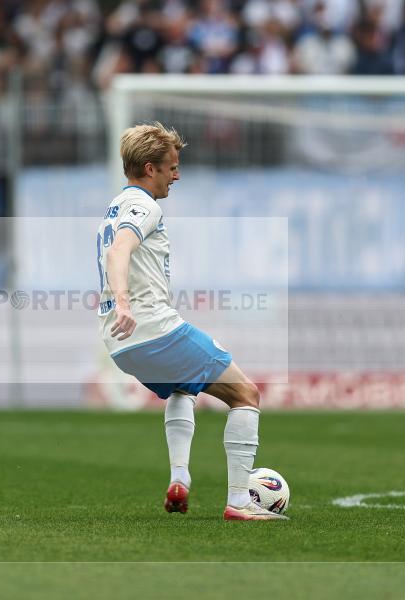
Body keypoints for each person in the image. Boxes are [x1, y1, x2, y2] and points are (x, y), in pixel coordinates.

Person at [96, 122, 287, 521]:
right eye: (171, 167)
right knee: (246, 394)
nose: (176, 175)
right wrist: (125, 303)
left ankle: (179, 476)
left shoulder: (115, 207)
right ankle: (240, 502)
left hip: (121, 344)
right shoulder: (145, 206)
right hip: (152, 329)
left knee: (183, 388)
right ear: (149, 169)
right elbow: (119, 251)